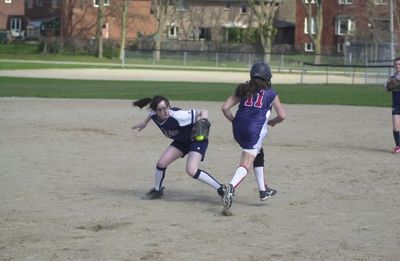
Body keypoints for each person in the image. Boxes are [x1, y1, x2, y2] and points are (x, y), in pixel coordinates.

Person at [132, 95, 224, 199]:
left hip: (196, 139)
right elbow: (151, 114)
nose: (165, 111)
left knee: (191, 170)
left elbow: (203, 111)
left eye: (167, 107)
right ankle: (157, 191)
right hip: (182, 141)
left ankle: (222, 189)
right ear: (156, 111)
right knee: (161, 163)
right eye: (161, 109)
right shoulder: (155, 114)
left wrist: (202, 121)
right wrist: (144, 123)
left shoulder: (179, 116)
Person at [221, 62, 286, 210]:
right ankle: (231, 187)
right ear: (268, 78)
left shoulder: (243, 89)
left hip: (238, 129)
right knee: (246, 162)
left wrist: (234, 121)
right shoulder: (271, 93)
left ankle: (263, 191)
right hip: (253, 131)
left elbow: (225, 108)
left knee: (259, 153)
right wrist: (273, 122)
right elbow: (282, 116)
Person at [385, 57, 400, 154]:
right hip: (396, 105)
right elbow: (386, 89)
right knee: (395, 127)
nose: (397, 66)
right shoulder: (392, 77)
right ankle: (398, 146)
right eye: (396, 64)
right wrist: (389, 86)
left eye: (399, 64)